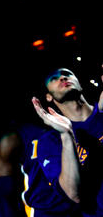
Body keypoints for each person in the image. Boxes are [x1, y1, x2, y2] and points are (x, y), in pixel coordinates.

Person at [40, 68, 103, 217]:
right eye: (54, 78)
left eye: (67, 74)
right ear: (49, 97)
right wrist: (67, 136)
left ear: (79, 84)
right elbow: (73, 194)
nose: (62, 78)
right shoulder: (51, 140)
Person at [0, 120, 81, 217]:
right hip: (44, 211)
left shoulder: (82, 123)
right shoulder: (14, 139)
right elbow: (4, 196)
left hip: (85, 208)